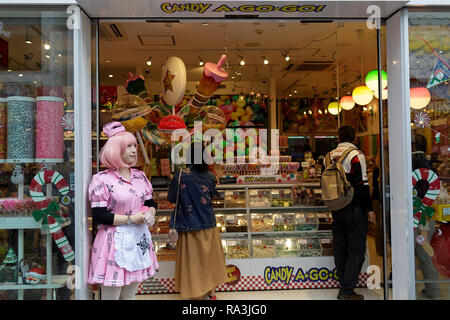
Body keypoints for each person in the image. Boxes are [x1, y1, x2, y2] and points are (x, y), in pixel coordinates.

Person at [87, 121, 159, 300]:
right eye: (129, 146)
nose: (134, 150)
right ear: (115, 149)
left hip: (138, 240)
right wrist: (131, 219)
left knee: (130, 295)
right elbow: (99, 215)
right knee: (112, 295)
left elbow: (151, 202)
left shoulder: (140, 176)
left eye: (134, 146)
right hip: (113, 243)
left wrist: (151, 213)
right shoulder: (101, 180)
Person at [168, 142, 228, 300]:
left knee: (193, 262)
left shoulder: (180, 175)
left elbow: (172, 198)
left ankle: (193, 293)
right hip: (208, 224)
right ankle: (211, 294)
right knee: (210, 260)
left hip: (188, 225)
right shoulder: (209, 176)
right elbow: (215, 195)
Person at [325, 125, 376, 300]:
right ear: (355, 138)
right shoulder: (356, 155)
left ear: (338, 138)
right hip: (354, 208)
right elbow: (362, 185)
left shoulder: (328, 156)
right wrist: (369, 210)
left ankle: (343, 283)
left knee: (340, 247)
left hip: (336, 208)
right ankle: (347, 290)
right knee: (356, 249)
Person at [411, 133, 442, 300]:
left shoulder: (412, 164)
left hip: (419, 216)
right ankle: (431, 290)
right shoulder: (429, 165)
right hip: (427, 216)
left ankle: (434, 291)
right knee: (423, 250)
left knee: (422, 252)